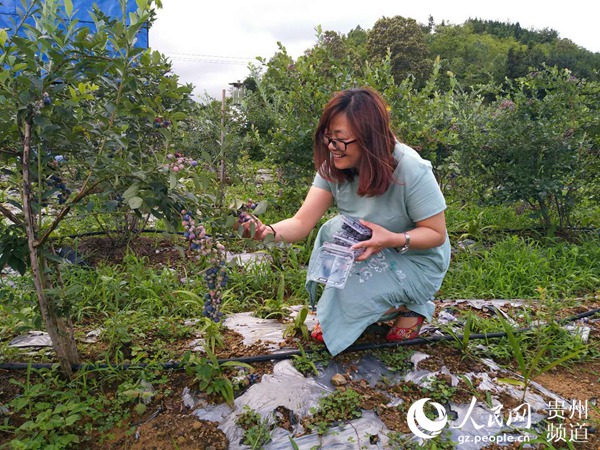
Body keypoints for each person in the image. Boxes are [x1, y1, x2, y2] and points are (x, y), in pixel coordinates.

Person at [239, 87, 450, 356]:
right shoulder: (335, 164)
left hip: (416, 258)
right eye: (328, 138)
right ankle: (367, 307)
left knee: (350, 290)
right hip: (371, 247)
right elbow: (301, 223)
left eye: (340, 139)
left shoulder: (410, 169)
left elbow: (435, 234)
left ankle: (413, 304)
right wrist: (265, 232)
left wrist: (392, 239)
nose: (331, 147)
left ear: (369, 139)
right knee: (333, 231)